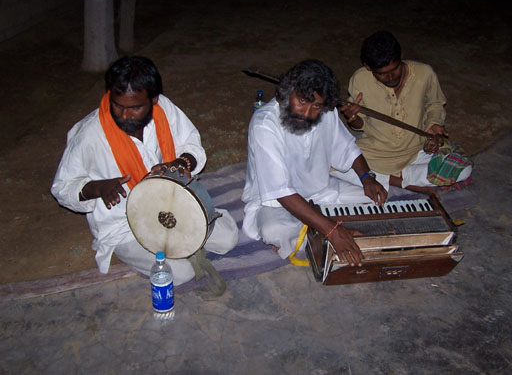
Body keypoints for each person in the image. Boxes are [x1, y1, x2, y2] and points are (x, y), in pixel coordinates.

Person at [51, 56, 239, 285]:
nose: (124, 115)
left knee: (228, 238)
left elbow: (191, 145)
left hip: (172, 205)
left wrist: (181, 163)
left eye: (135, 107)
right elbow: (62, 188)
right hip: (125, 226)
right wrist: (97, 187)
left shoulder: (164, 110)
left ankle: (178, 243)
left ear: (153, 99)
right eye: (117, 105)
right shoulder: (89, 134)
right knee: (179, 273)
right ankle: (163, 249)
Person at [241, 59, 387, 266]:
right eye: (301, 101)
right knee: (274, 229)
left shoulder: (326, 111)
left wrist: (367, 177)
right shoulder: (265, 125)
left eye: (316, 106)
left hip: (321, 190)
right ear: (285, 93)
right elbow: (280, 191)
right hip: (275, 201)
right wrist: (332, 230)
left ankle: (317, 231)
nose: (307, 114)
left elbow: (347, 148)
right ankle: (326, 231)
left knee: (378, 202)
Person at [338, 30, 472, 194]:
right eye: (381, 74)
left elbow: (435, 103)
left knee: (463, 169)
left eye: (394, 69)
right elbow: (360, 125)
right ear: (367, 66)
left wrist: (434, 125)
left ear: (401, 55)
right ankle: (401, 182)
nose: (390, 78)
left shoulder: (424, 73)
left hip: (418, 150)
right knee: (330, 164)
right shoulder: (359, 80)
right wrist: (352, 118)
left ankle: (388, 179)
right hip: (377, 153)